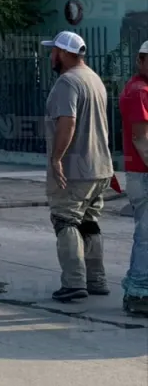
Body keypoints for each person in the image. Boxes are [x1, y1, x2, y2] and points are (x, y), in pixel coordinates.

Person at [41, 31, 115, 302]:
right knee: (89, 223)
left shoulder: (67, 82)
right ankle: (96, 279)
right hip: (100, 167)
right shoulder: (94, 79)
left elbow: (67, 122)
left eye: (53, 51)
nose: (51, 56)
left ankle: (73, 282)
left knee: (65, 219)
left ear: (62, 53)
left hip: (75, 170)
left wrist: (57, 158)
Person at [118, 42, 148, 316]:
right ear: (141, 60)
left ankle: (139, 288)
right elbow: (141, 137)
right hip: (144, 173)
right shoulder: (139, 91)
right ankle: (138, 293)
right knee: (146, 236)